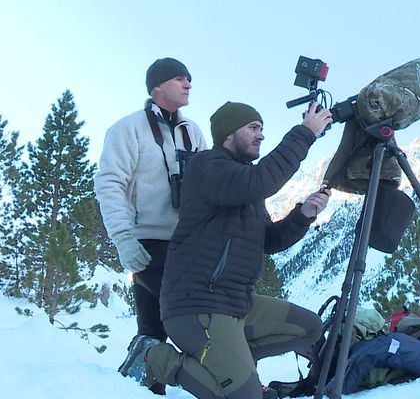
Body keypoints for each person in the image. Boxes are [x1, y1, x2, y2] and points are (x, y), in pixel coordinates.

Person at [118, 100, 333, 399]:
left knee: (309, 328)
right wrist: (305, 132)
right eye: (253, 128)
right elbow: (262, 181)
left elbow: (269, 241)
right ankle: (154, 357)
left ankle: (232, 360)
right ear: (229, 134)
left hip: (236, 305)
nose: (260, 135)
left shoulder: (243, 184)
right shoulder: (208, 167)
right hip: (198, 306)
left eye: (262, 129)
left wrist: (304, 214)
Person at [94, 58, 207, 395]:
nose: (188, 84)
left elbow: (209, 185)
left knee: (169, 321)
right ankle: (143, 384)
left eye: (189, 79)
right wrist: (123, 237)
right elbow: (109, 183)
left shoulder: (193, 132)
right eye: (179, 78)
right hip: (147, 242)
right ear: (157, 86)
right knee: (174, 318)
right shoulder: (127, 129)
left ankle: (142, 383)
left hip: (188, 243)